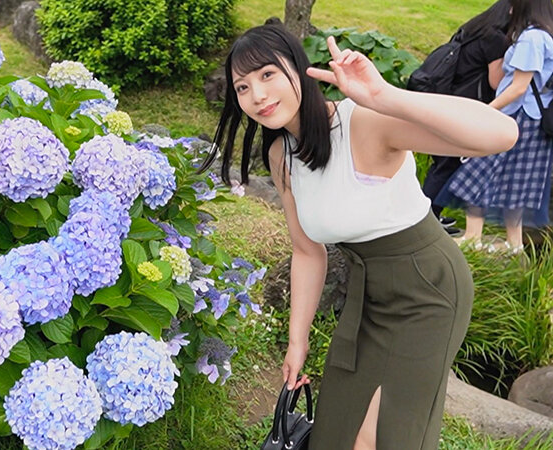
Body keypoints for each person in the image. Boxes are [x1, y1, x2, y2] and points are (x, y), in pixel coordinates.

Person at [201, 25, 517, 449]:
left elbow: (501, 134)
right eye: (243, 86)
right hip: (366, 296)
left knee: (379, 437)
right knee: (338, 428)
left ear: (298, 69)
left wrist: (385, 96)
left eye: (267, 75)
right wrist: (297, 341)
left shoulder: (363, 122)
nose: (257, 94)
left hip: (427, 291)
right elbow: (306, 251)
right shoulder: (281, 155)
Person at [435, 0, 553, 253]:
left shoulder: (531, 38)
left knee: (477, 171)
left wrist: (486, 111)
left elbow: (518, 88)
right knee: (517, 182)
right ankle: (514, 244)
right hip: (535, 121)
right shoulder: (547, 36)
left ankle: (472, 238)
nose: (510, 8)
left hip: (517, 117)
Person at [420, 0, 511, 235]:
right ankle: (425, 221)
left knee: (444, 162)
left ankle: (430, 216)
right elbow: (496, 81)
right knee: (448, 164)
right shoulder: (496, 39)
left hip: (448, 97)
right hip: (465, 104)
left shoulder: (475, 27)